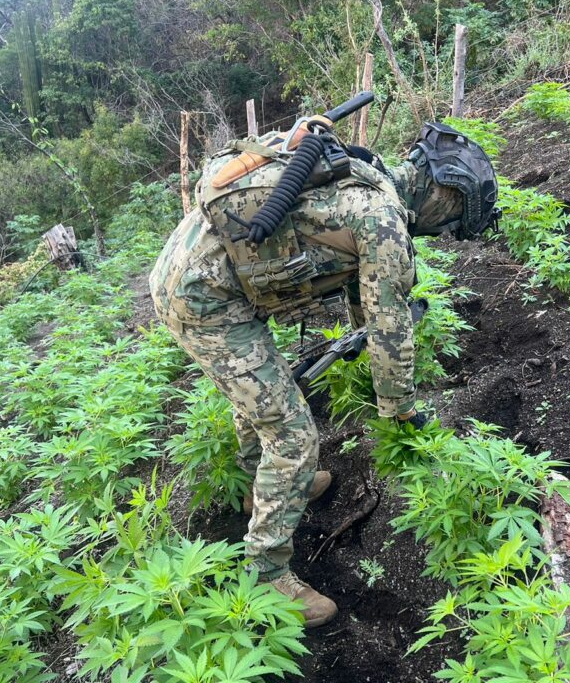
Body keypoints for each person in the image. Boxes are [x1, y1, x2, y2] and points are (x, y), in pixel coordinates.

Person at [149, 114, 498, 628]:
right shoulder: (385, 220)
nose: (441, 230)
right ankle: (267, 576)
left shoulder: (368, 176)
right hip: (203, 301)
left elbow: (364, 294)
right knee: (291, 432)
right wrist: (401, 412)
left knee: (263, 394)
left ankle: (256, 486)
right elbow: (389, 330)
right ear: (443, 196)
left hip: (194, 273)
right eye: (449, 221)